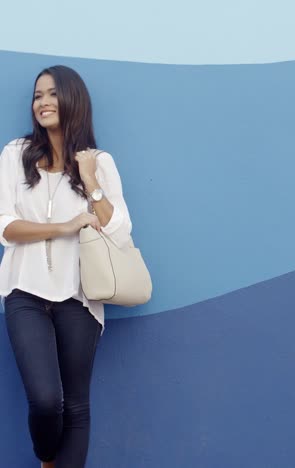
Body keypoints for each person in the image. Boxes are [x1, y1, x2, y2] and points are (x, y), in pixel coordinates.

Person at [0, 65, 132, 467]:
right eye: (38, 96)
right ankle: (47, 459)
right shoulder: (15, 154)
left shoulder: (99, 161)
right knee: (45, 400)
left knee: (76, 406)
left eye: (52, 94)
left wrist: (90, 178)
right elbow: (6, 226)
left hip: (80, 296)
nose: (43, 103)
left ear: (73, 98)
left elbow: (119, 230)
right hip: (24, 292)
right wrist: (65, 227)